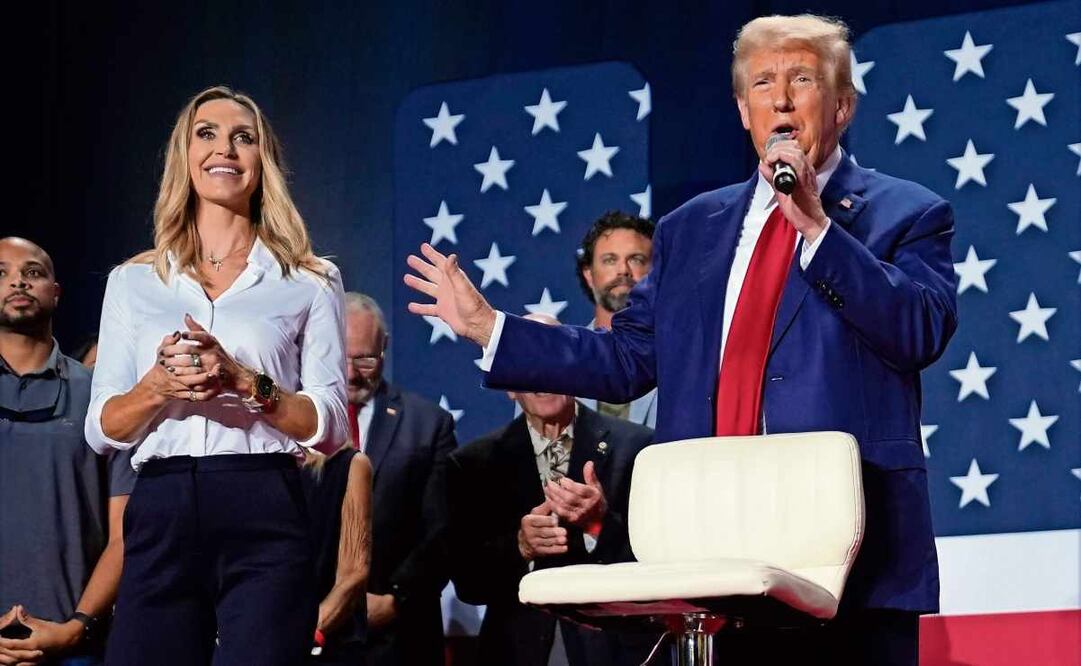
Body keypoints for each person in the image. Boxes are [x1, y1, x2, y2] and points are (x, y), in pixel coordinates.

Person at [405, 14, 957, 666]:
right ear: (741, 110)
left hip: (847, 554)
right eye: (760, 83)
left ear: (840, 104)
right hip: (717, 549)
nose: (779, 98)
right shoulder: (691, 230)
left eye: (800, 78)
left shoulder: (907, 214)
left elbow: (917, 329)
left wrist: (816, 231)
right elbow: (626, 358)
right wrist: (490, 328)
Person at [84, 86, 348, 666]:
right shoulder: (133, 280)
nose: (223, 147)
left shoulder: (311, 279)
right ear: (184, 155)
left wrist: (244, 380)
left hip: (265, 501)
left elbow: (330, 426)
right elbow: (102, 428)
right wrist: (155, 387)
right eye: (206, 133)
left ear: (262, 163)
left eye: (243, 136)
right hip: (161, 504)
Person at [446, 312, 657, 666]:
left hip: (612, 650)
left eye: (552, 359)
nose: (543, 376)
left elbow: (655, 563)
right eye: (529, 362)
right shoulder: (476, 463)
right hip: (517, 650)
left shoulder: (634, 448)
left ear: (574, 368)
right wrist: (520, 546)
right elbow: (469, 583)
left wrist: (598, 524)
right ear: (508, 384)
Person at [0, 238, 135, 666]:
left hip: (74, 646)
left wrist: (76, 627)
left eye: (33, 272)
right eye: (0, 273)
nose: (18, 280)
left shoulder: (102, 397)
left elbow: (125, 533)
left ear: (56, 292)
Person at [341, 292, 455, 665]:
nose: (352, 373)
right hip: (309, 632)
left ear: (384, 348)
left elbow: (442, 529)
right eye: (342, 358)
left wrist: (395, 598)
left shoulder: (427, 424)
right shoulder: (295, 422)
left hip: (402, 637)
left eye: (365, 359)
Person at [574, 211, 657, 427]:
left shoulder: (683, 359)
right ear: (589, 275)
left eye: (636, 259)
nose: (623, 270)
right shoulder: (557, 362)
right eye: (610, 260)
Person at [301, 444, 373, 666]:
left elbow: (353, 574)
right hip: (250, 637)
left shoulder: (349, 464)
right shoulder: (246, 467)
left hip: (328, 645)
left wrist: (307, 634)